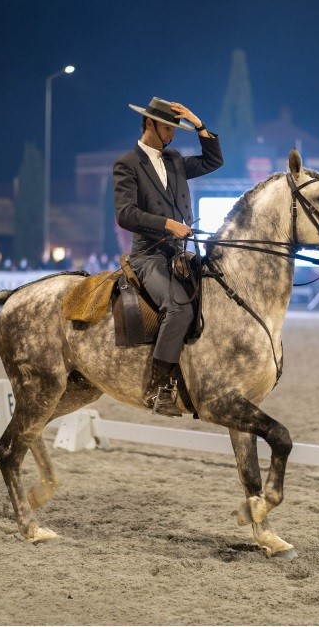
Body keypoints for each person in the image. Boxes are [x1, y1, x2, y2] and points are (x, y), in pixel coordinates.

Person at [113, 97, 224, 416]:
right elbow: (125, 214)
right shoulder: (127, 163)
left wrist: (198, 123)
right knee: (178, 309)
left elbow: (213, 161)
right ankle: (157, 388)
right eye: (168, 127)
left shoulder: (174, 159)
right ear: (149, 124)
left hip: (183, 253)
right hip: (149, 256)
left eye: (176, 128)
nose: (174, 134)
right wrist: (167, 224)